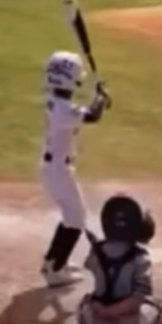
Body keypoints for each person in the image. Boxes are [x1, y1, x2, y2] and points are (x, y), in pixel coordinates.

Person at [72, 194, 162, 324]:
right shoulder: (141, 258)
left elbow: (95, 264)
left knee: (85, 301)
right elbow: (136, 301)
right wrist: (112, 312)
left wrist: (98, 247)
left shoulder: (96, 253)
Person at [39, 50, 112, 288]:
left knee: (72, 216)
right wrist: (100, 97)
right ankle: (55, 269)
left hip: (55, 168)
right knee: (77, 218)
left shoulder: (57, 103)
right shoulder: (63, 109)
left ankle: (53, 261)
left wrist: (99, 98)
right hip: (58, 170)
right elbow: (92, 115)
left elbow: (88, 113)